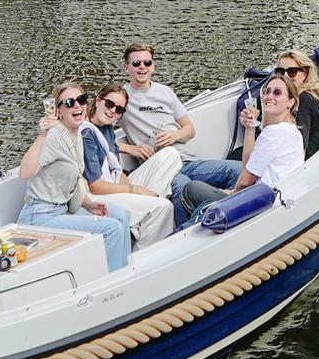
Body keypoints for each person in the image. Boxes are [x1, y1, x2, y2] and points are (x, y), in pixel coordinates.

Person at [17, 81, 126, 272]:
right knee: (112, 229)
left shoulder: (76, 135)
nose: (77, 105)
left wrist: (89, 204)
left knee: (119, 214)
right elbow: (25, 173)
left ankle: (123, 270)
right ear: (58, 111)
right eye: (69, 103)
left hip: (62, 210)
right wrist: (42, 135)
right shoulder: (53, 136)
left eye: (81, 100)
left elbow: (71, 182)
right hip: (40, 216)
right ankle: (110, 280)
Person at [175, 75, 308, 226]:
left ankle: (186, 230)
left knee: (191, 189)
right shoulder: (292, 131)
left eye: (277, 92)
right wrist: (250, 129)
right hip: (270, 199)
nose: (269, 96)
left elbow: (245, 181)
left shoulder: (273, 133)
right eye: (267, 91)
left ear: (291, 102)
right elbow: (248, 165)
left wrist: (231, 193)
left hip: (259, 207)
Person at [83, 85, 174, 245]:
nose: (112, 111)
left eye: (119, 110)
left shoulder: (107, 128)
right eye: (109, 104)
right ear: (97, 100)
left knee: (170, 155)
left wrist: (135, 190)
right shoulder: (86, 134)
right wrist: (136, 190)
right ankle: (141, 252)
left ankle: (141, 217)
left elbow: (116, 170)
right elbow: (95, 186)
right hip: (100, 195)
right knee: (164, 207)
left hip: (114, 184)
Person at [113, 41, 193, 191]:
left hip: (188, 160)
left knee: (234, 170)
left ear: (153, 66)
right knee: (186, 186)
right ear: (126, 68)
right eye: (136, 63)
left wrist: (174, 136)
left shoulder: (165, 91)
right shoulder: (121, 98)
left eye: (147, 62)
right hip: (160, 167)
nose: (142, 67)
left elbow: (190, 129)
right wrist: (130, 148)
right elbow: (96, 131)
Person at [273, 48, 319, 155]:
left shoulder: (303, 100)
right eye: (280, 72)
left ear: (305, 74)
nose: (285, 76)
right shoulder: (314, 93)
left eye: (292, 72)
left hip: (313, 159)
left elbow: (299, 147)